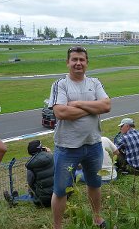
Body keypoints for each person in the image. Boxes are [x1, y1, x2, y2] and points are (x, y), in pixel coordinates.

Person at [48, 46, 111, 229]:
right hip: (67, 147)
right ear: (68, 62)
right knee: (60, 190)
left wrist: (77, 104)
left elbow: (106, 106)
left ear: (87, 63)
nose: (78, 63)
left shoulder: (95, 82)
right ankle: (57, 226)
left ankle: (97, 218)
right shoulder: (60, 84)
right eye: (74, 59)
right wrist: (92, 107)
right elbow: (60, 112)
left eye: (82, 60)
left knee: (95, 183)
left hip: (93, 144)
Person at [25, 140, 54, 207]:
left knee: (30, 190)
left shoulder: (31, 165)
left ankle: (15, 199)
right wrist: (50, 153)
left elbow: (30, 182)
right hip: (60, 195)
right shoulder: (52, 156)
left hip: (44, 201)